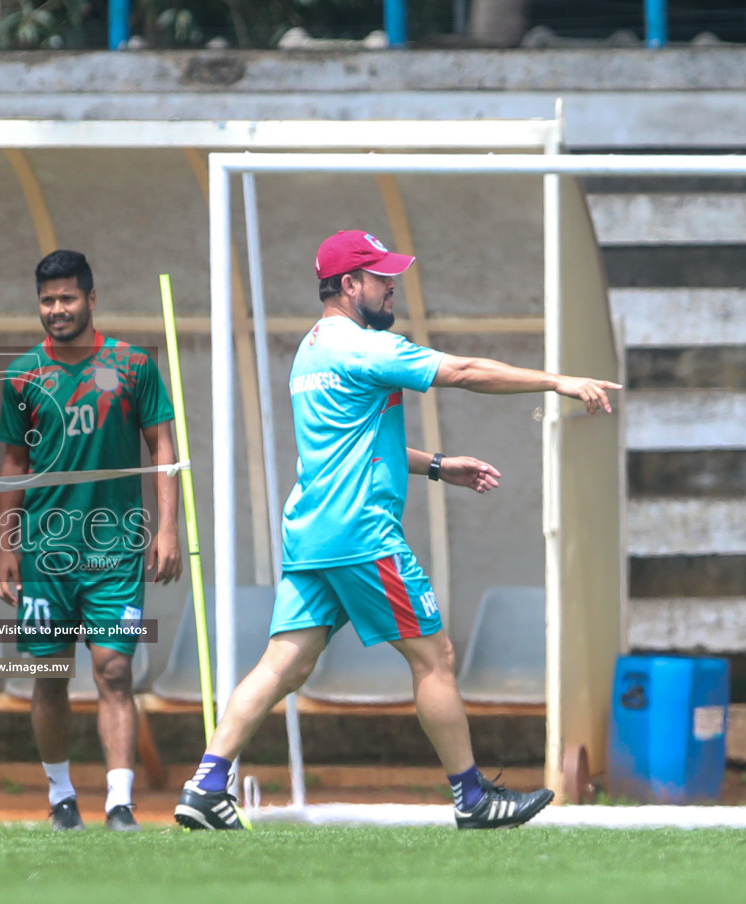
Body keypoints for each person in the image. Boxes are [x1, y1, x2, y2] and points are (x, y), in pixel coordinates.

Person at [174, 230, 620, 831]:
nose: (393, 288)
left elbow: (351, 445)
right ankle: (473, 798)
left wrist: (437, 465)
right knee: (434, 655)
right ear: (349, 285)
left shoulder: (310, 352)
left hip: (311, 532)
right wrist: (558, 381)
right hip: (362, 533)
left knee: (285, 663)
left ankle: (204, 784)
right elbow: (462, 371)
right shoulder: (364, 348)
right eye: (382, 278)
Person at [0, 250, 182, 832]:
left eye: (67, 298)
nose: (56, 310)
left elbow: (162, 447)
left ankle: (120, 803)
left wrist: (168, 527)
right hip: (45, 553)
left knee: (114, 671)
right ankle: (60, 797)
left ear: (91, 300)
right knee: (49, 676)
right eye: (47, 301)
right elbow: (13, 461)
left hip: (114, 550)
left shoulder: (130, 366)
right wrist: (5, 546)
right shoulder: (23, 376)